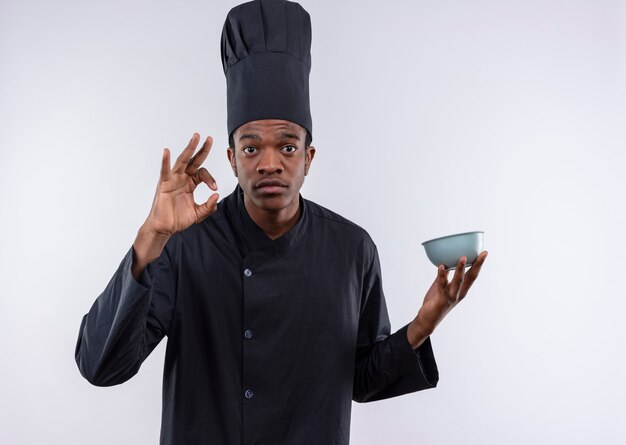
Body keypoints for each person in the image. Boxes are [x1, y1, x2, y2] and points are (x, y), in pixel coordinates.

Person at [75, 0, 488, 444]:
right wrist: (150, 237)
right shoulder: (183, 245)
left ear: (309, 157)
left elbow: (362, 380)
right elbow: (102, 367)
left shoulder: (352, 250)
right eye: (252, 148)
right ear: (232, 159)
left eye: (287, 147)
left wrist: (423, 324)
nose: (269, 163)